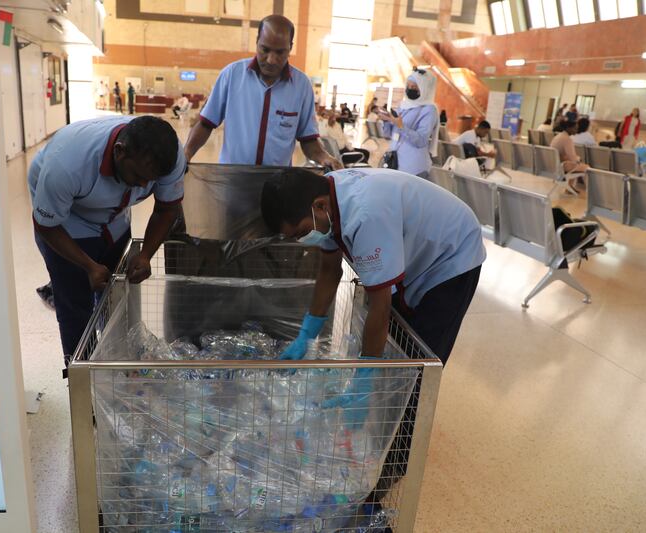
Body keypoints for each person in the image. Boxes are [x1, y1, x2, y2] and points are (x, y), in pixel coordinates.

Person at [261, 166, 485, 364]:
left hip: (452, 250)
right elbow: (329, 272)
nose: (302, 239)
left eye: (302, 232)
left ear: (319, 206)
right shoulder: (327, 197)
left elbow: (380, 304)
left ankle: (410, 409)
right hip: (417, 245)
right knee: (395, 342)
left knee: (420, 358)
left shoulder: (365, 215)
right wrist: (306, 335)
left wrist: (365, 374)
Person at [29, 116, 186, 368]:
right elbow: (47, 226)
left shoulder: (168, 156)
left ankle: (116, 368)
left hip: (115, 213)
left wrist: (146, 254)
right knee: (75, 302)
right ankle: (80, 379)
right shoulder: (66, 165)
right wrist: (88, 265)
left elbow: (167, 209)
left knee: (115, 294)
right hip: (68, 218)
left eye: (152, 179)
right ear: (119, 152)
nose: (145, 186)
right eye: (139, 176)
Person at [184, 14, 340, 169]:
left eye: (280, 52)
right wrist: (187, 152)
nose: (271, 59)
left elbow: (308, 139)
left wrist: (324, 157)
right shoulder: (231, 75)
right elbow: (205, 124)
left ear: (290, 48)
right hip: (233, 180)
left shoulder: (302, 86)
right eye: (265, 49)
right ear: (257, 42)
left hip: (277, 184)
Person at [377, 67, 440, 178]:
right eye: (409, 86)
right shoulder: (403, 105)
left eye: (415, 87)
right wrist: (386, 120)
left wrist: (401, 126)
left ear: (425, 89)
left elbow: (421, 141)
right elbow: (387, 134)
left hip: (413, 167)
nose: (410, 89)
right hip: (395, 162)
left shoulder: (429, 109)